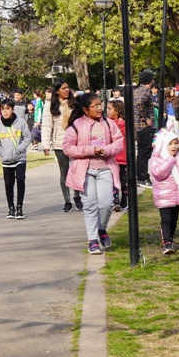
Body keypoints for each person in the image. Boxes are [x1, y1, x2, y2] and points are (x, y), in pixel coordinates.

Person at [62, 93, 124, 255]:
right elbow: (67, 148)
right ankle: (92, 240)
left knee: (107, 203)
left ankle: (101, 229)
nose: (99, 108)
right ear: (85, 109)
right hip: (85, 171)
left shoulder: (109, 124)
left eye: (100, 104)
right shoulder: (76, 125)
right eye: (95, 106)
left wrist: (106, 150)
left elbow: (119, 142)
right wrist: (90, 150)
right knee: (89, 206)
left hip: (105, 169)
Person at [42, 79, 78, 212]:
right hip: (59, 143)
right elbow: (47, 125)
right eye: (63, 88)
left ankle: (77, 197)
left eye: (68, 87)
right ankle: (67, 201)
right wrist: (46, 144)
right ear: (57, 91)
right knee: (64, 172)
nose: (66, 90)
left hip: (75, 142)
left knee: (77, 170)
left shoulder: (74, 103)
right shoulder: (50, 106)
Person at [0, 99, 31, 220]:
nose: (5, 111)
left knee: (20, 180)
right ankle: (11, 207)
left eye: (7, 109)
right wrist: (2, 153)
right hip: (6, 160)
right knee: (8, 184)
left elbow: (27, 138)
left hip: (20, 158)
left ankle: (20, 207)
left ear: (12, 109)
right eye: (3, 109)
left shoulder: (21, 123)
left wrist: (19, 149)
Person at [134, 70, 157, 188]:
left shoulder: (137, 90)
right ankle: (142, 177)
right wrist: (146, 117)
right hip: (145, 127)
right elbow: (138, 103)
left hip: (138, 126)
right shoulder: (145, 91)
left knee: (142, 152)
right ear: (149, 80)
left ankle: (141, 175)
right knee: (145, 152)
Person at [106, 100, 129, 211]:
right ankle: (115, 201)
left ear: (118, 111)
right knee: (113, 180)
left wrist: (120, 124)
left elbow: (126, 135)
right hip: (111, 158)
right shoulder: (106, 123)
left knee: (123, 181)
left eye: (109, 109)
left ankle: (124, 200)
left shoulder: (123, 124)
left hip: (122, 158)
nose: (107, 111)